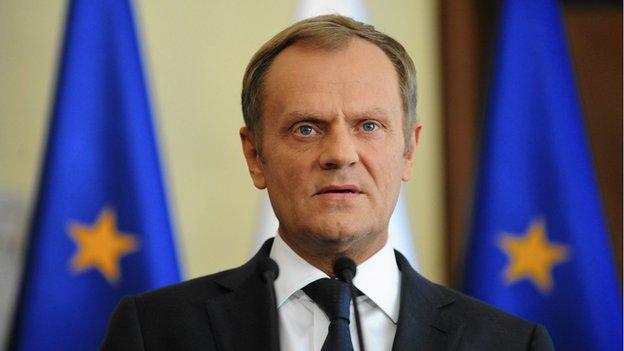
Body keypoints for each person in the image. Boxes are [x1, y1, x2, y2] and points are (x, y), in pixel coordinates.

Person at [100, 15, 554, 351]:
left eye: (369, 126)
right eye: (306, 128)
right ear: (255, 156)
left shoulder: (511, 345)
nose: (340, 154)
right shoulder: (155, 332)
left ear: (409, 150)